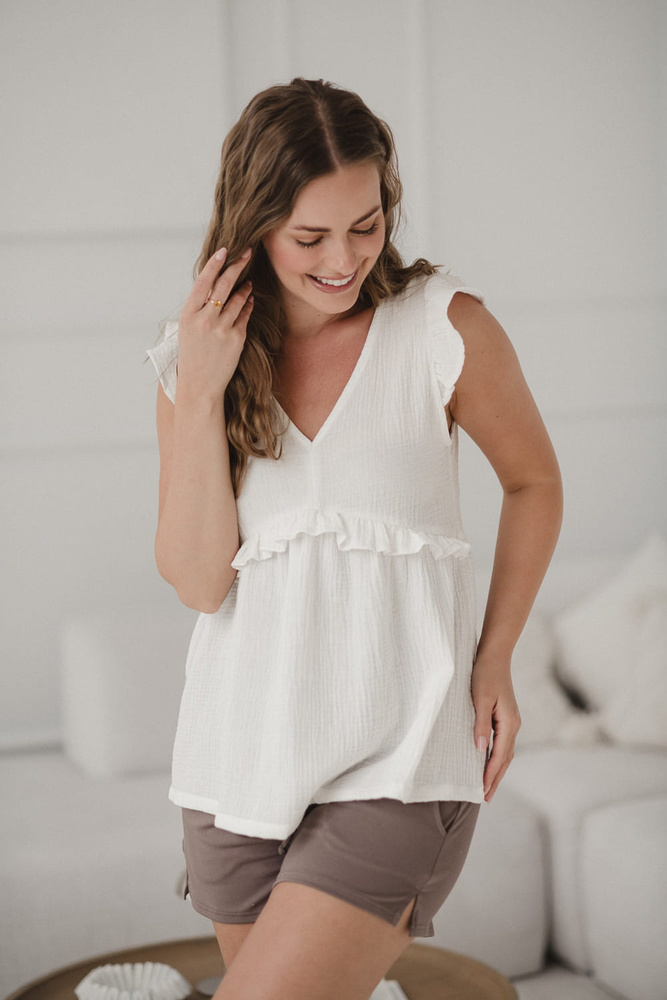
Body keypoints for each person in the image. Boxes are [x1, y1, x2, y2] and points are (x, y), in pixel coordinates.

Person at [146, 77, 563, 1000]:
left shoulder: (443, 330)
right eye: (310, 237)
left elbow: (534, 483)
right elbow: (200, 582)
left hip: (400, 761)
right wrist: (202, 391)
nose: (343, 259)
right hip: (234, 764)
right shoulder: (194, 361)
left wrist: (495, 658)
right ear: (254, 224)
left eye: (365, 225)